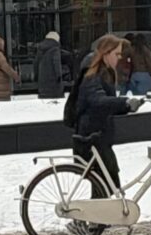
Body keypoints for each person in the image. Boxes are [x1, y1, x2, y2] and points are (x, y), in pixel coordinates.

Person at [72, 33, 143, 192]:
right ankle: (94, 216)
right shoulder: (92, 74)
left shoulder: (104, 72)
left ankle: (103, 215)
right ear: (106, 53)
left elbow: (106, 104)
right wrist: (124, 103)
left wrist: (127, 106)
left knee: (108, 186)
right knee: (104, 187)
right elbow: (98, 101)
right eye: (116, 54)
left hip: (99, 136)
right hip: (92, 137)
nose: (119, 58)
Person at [35, 31, 69, 99]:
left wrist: (37, 77)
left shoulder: (40, 49)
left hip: (42, 85)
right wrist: (59, 78)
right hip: (54, 85)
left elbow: (36, 64)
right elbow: (57, 65)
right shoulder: (55, 49)